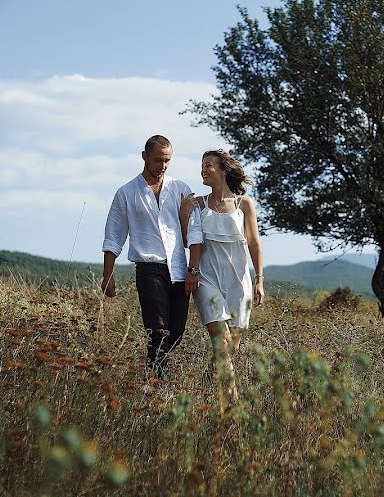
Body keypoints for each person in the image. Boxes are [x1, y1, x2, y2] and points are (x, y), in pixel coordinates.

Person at [102, 135, 203, 378]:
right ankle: (159, 381)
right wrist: (108, 275)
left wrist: (193, 269)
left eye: (167, 161)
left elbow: (195, 230)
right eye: (158, 160)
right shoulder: (126, 192)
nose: (163, 166)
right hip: (148, 268)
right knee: (158, 329)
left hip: (179, 268)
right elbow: (114, 235)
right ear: (144, 157)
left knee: (176, 331)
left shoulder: (180, 189)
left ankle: (151, 373)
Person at [179, 149, 264, 406]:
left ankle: (206, 388)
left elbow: (255, 245)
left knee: (230, 349)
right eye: (202, 166)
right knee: (221, 341)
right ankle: (232, 408)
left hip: (239, 281)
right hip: (206, 279)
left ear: (224, 170)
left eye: (208, 165)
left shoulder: (244, 204)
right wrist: (184, 215)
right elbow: (187, 241)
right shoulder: (199, 205)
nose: (203, 170)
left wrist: (259, 279)